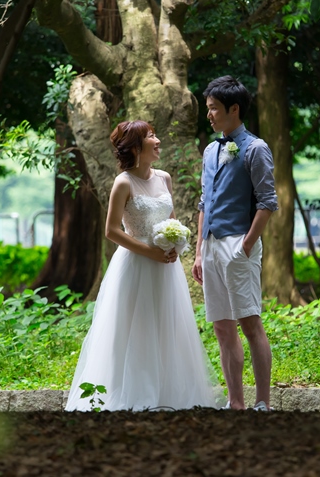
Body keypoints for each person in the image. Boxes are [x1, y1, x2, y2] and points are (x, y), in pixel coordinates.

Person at [65, 120, 219, 411]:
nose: (157, 141)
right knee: (134, 329)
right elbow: (112, 231)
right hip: (135, 264)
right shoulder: (123, 182)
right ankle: (132, 395)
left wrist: (175, 245)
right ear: (135, 147)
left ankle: (167, 395)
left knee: (166, 327)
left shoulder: (164, 178)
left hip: (165, 266)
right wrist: (149, 251)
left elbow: (172, 220)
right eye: (151, 136)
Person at [191, 75, 278, 411]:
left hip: (238, 244)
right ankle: (236, 403)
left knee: (250, 324)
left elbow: (267, 202)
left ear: (234, 109)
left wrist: (246, 246)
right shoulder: (211, 150)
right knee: (223, 329)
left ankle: (262, 403)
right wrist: (199, 251)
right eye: (208, 108)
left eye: (214, 108)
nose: (209, 115)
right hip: (211, 246)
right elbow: (204, 202)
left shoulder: (256, 148)